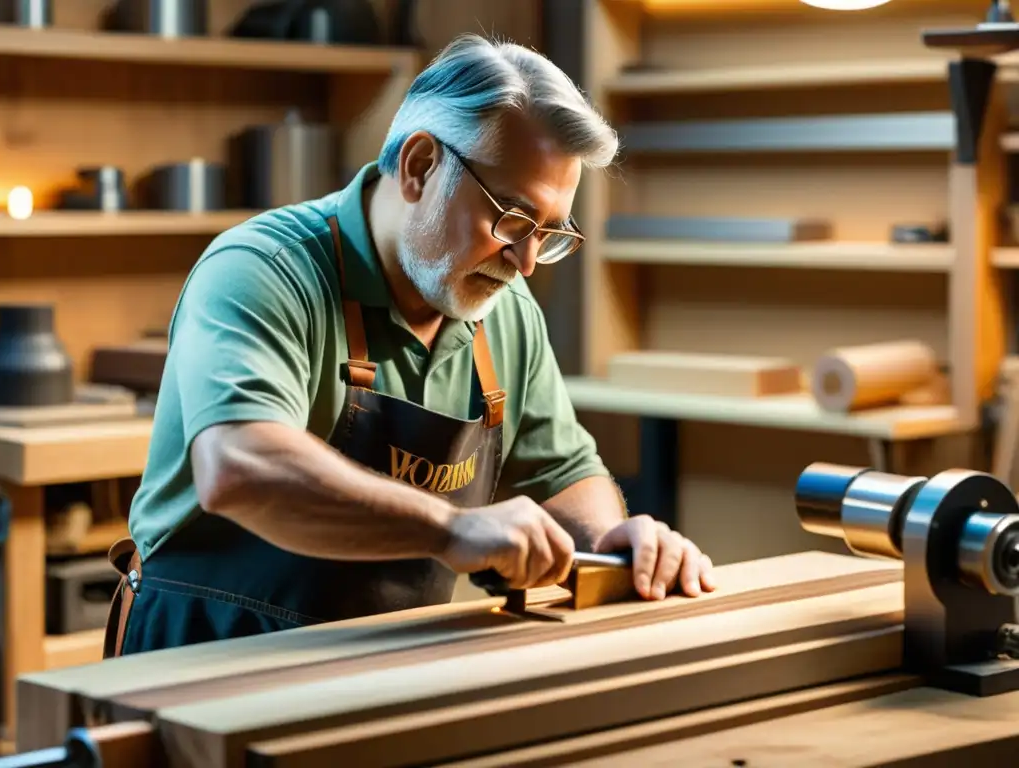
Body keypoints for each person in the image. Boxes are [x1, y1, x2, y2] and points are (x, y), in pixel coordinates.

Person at [103, 33, 715, 658]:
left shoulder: (502, 308)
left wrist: (613, 540)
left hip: (383, 664)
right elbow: (240, 465)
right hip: (204, 661)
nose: (526, 262)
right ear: (420, 166)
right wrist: (450, 529)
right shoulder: (265, 268)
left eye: (550, 233)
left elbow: (562, 470)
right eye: (512, 218)